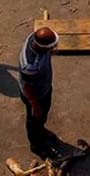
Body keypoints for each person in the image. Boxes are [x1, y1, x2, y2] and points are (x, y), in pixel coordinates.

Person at [18, 27, 60, 158]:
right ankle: (37, 145)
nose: (55, 48)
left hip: (44, 87)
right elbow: (27, 87)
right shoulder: (30, 66)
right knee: (34, 119)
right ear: (43, 47)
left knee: (43, 115)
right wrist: (35, 105)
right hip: (35, 95)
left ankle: (41, 130)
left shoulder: (33, 38)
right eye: (52, 47)